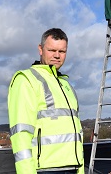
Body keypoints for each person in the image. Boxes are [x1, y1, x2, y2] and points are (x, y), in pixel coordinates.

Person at [8, 28, 84, 174]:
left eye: (62, 52)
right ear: (40, 49)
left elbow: (77, 133)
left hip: (73, 167)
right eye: (52, 50)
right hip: (44, 170)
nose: (57, 56)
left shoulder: (66, 84)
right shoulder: (26, 80)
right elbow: (21, 134)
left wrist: (80, 170)